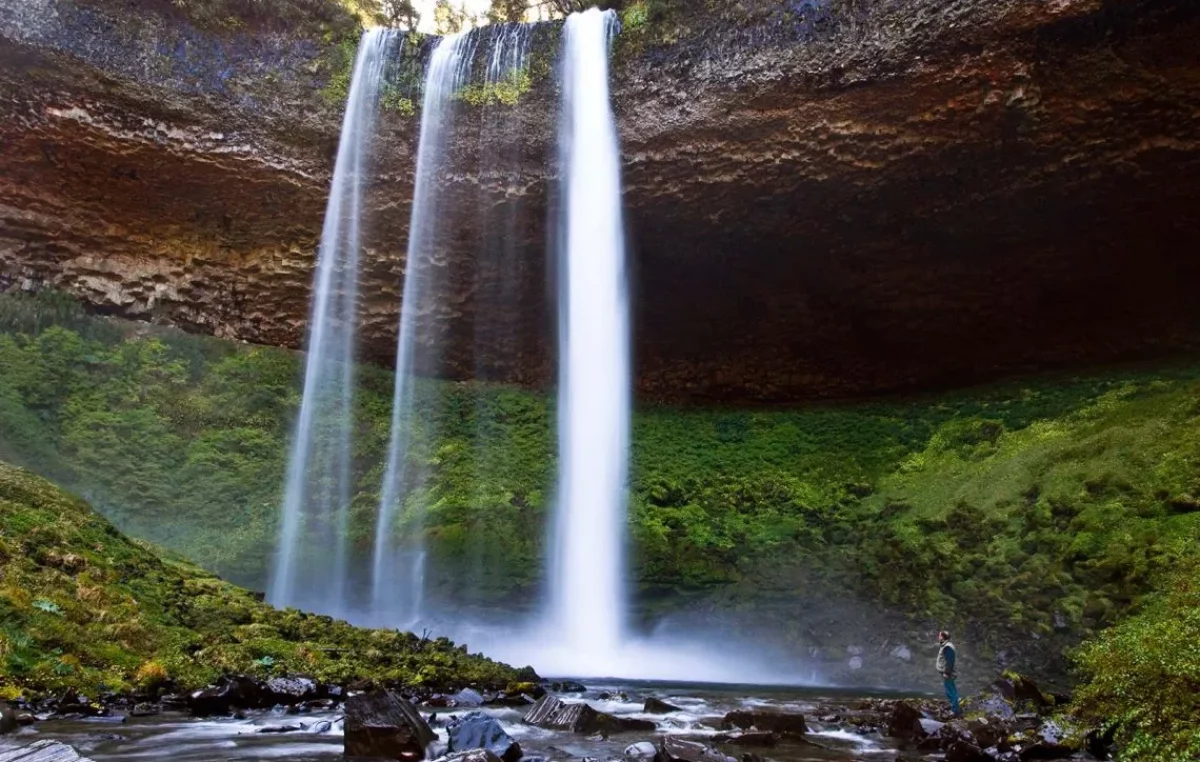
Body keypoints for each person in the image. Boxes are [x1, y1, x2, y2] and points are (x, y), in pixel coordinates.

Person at [936, 630, 962, 717]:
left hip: (949, 673)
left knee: (950, 691)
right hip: (949, 673)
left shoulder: (948, 647)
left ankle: (955, 711)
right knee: (952, 690)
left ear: (943, 637)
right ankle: (955, 708)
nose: (938, 637)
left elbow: (949, 661)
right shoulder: (946, 645)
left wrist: (946, 673)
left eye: (939, 636)